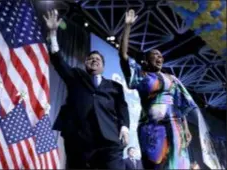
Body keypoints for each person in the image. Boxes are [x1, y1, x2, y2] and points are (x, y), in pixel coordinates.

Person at [43, 10, 130, 169]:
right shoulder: (76, 76)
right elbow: (58, 61)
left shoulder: (115, 87)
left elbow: (122, 107)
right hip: (78, 138)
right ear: (86, 64)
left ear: (103, 66)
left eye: (98, 59)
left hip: (109, 139)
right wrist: (53, 33)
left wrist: (124, 127)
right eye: (91, 58)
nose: (94, 60)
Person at [118, 9, 195, 169]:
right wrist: (127, 27)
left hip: (175, 126)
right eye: (155, 55)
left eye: (161, 55)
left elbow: (181, 106)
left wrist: (185, 128)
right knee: (156, 164)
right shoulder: (142, 75)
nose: (159, 57)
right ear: (146, 61)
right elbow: (123, 56)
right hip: (151, 127)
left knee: (176, 164)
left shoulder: (173, 79)